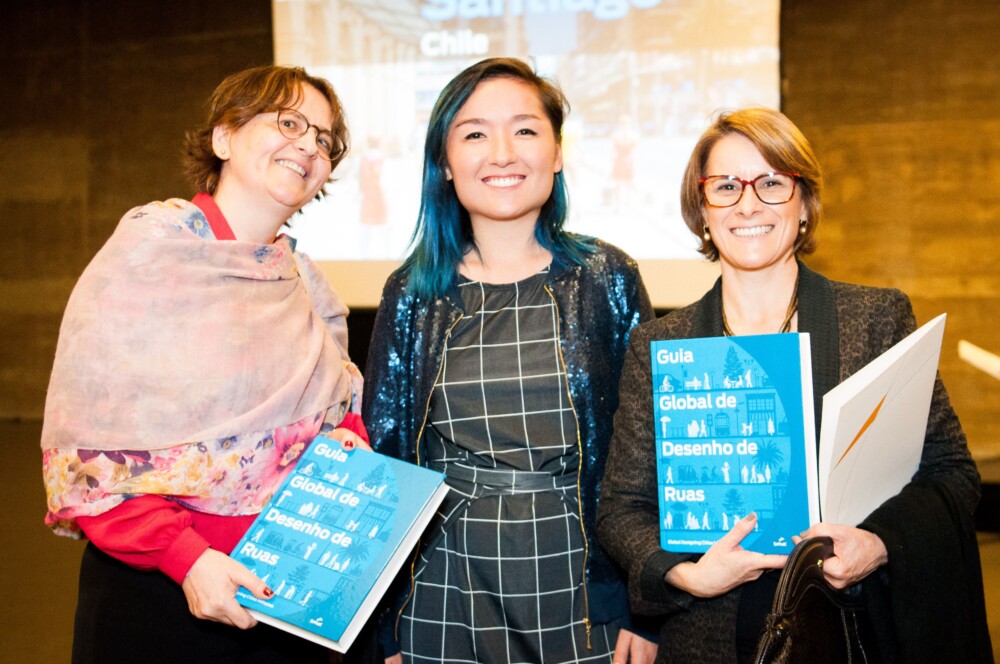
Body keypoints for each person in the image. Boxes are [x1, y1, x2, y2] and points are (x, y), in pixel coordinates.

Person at [596, 107, 993, 663]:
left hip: (845, 634)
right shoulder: (660, 344)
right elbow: (622, 508)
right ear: (702, 210)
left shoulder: (875, 320)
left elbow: (952, 474)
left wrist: (877, 544)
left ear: (804, 205)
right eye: (726, 186)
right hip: (708, 640)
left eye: (772, 182)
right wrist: (688, 574)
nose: (748, 204)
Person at [41, 65, 370, 663]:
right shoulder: (153, 249)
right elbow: (92, 449)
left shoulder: (304, 282)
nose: (309, 146)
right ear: (223, 137)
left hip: (283, 591)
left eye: (324, 140)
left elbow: (337, 409)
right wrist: (185, 559)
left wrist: (347, 445)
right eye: (289, 123)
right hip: (160, 593)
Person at [362, 57, 657, 663]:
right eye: (475, 134)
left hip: (584, 580)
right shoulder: (412, 294)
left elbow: (647, 451)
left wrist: (645, 609)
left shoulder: (607, 277)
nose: (502, 153)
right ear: (445, 163)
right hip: (444, 577)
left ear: (557, 152)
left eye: (524, 129)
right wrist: (384, 627)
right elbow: (388, 457)